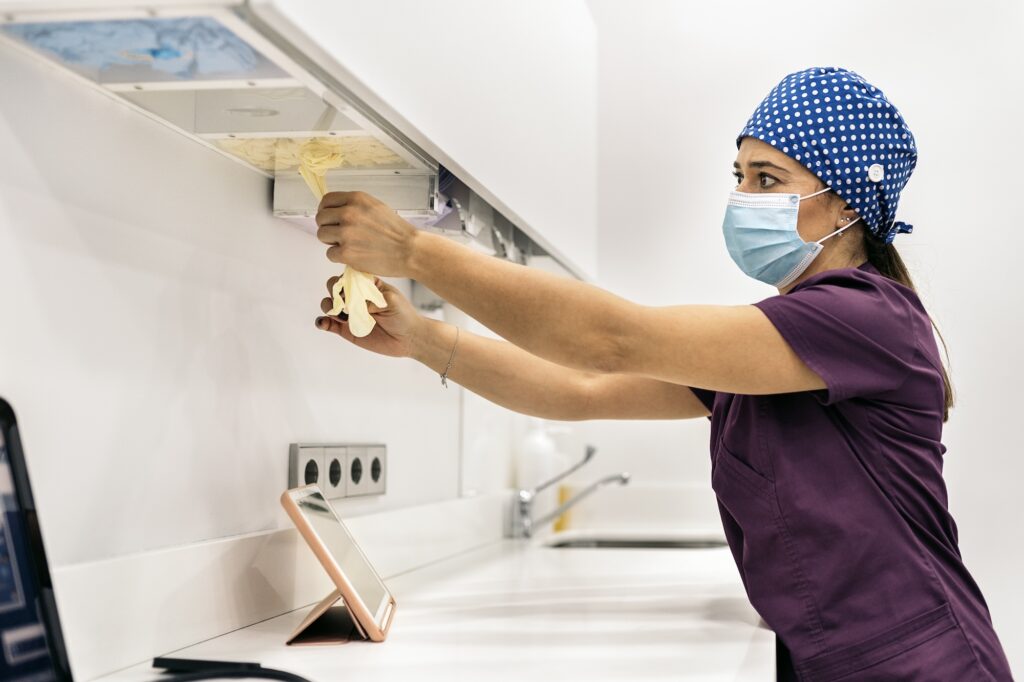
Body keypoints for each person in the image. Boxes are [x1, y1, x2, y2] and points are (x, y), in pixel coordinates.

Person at [312, 66, 1013, 680]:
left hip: (920, 665)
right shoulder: (782, 342)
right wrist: (423, 338)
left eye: (769, 180)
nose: (743, 198)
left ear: (849, 203)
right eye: (739, 178)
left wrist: (417, 251)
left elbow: (611, 340)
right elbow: (582, 390)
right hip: (842, 657)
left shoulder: (864, 321)